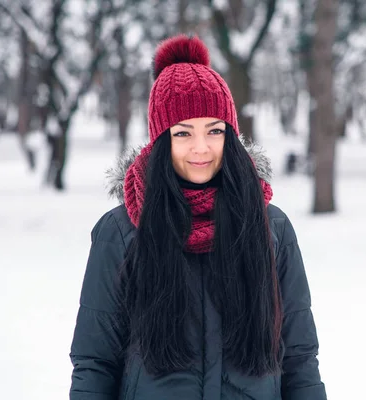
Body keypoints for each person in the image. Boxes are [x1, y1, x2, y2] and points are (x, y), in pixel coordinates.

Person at [69, 34, 327, 400]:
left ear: (230, 136)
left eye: (214, 130)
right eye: (183, 133)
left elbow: (300, 357)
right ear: (162, 140)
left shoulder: (272, 228)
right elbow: (95, 362)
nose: (201, 148)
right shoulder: (123, 231)